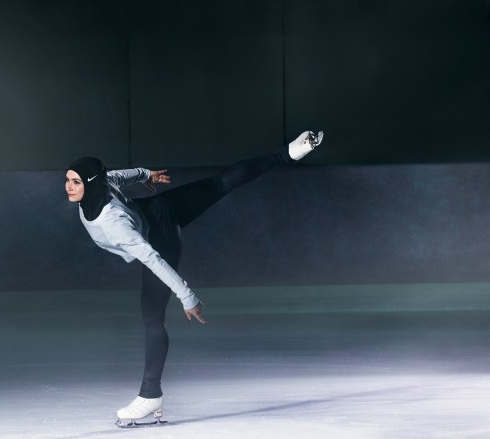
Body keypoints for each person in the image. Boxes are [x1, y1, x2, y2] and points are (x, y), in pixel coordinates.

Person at [64, 130, 324, 426]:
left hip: (160, 239)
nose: (68, 187)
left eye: (76, 182)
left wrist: (187, 296)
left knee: (152, 317)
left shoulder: (114, 224)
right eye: (68, 180)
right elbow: (120, 176)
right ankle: (287, 153)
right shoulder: (104, 183)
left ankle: (150, 395)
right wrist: (146, 174)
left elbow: (152, 259)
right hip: (161, 209)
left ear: (90, 184)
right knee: (220, 183)